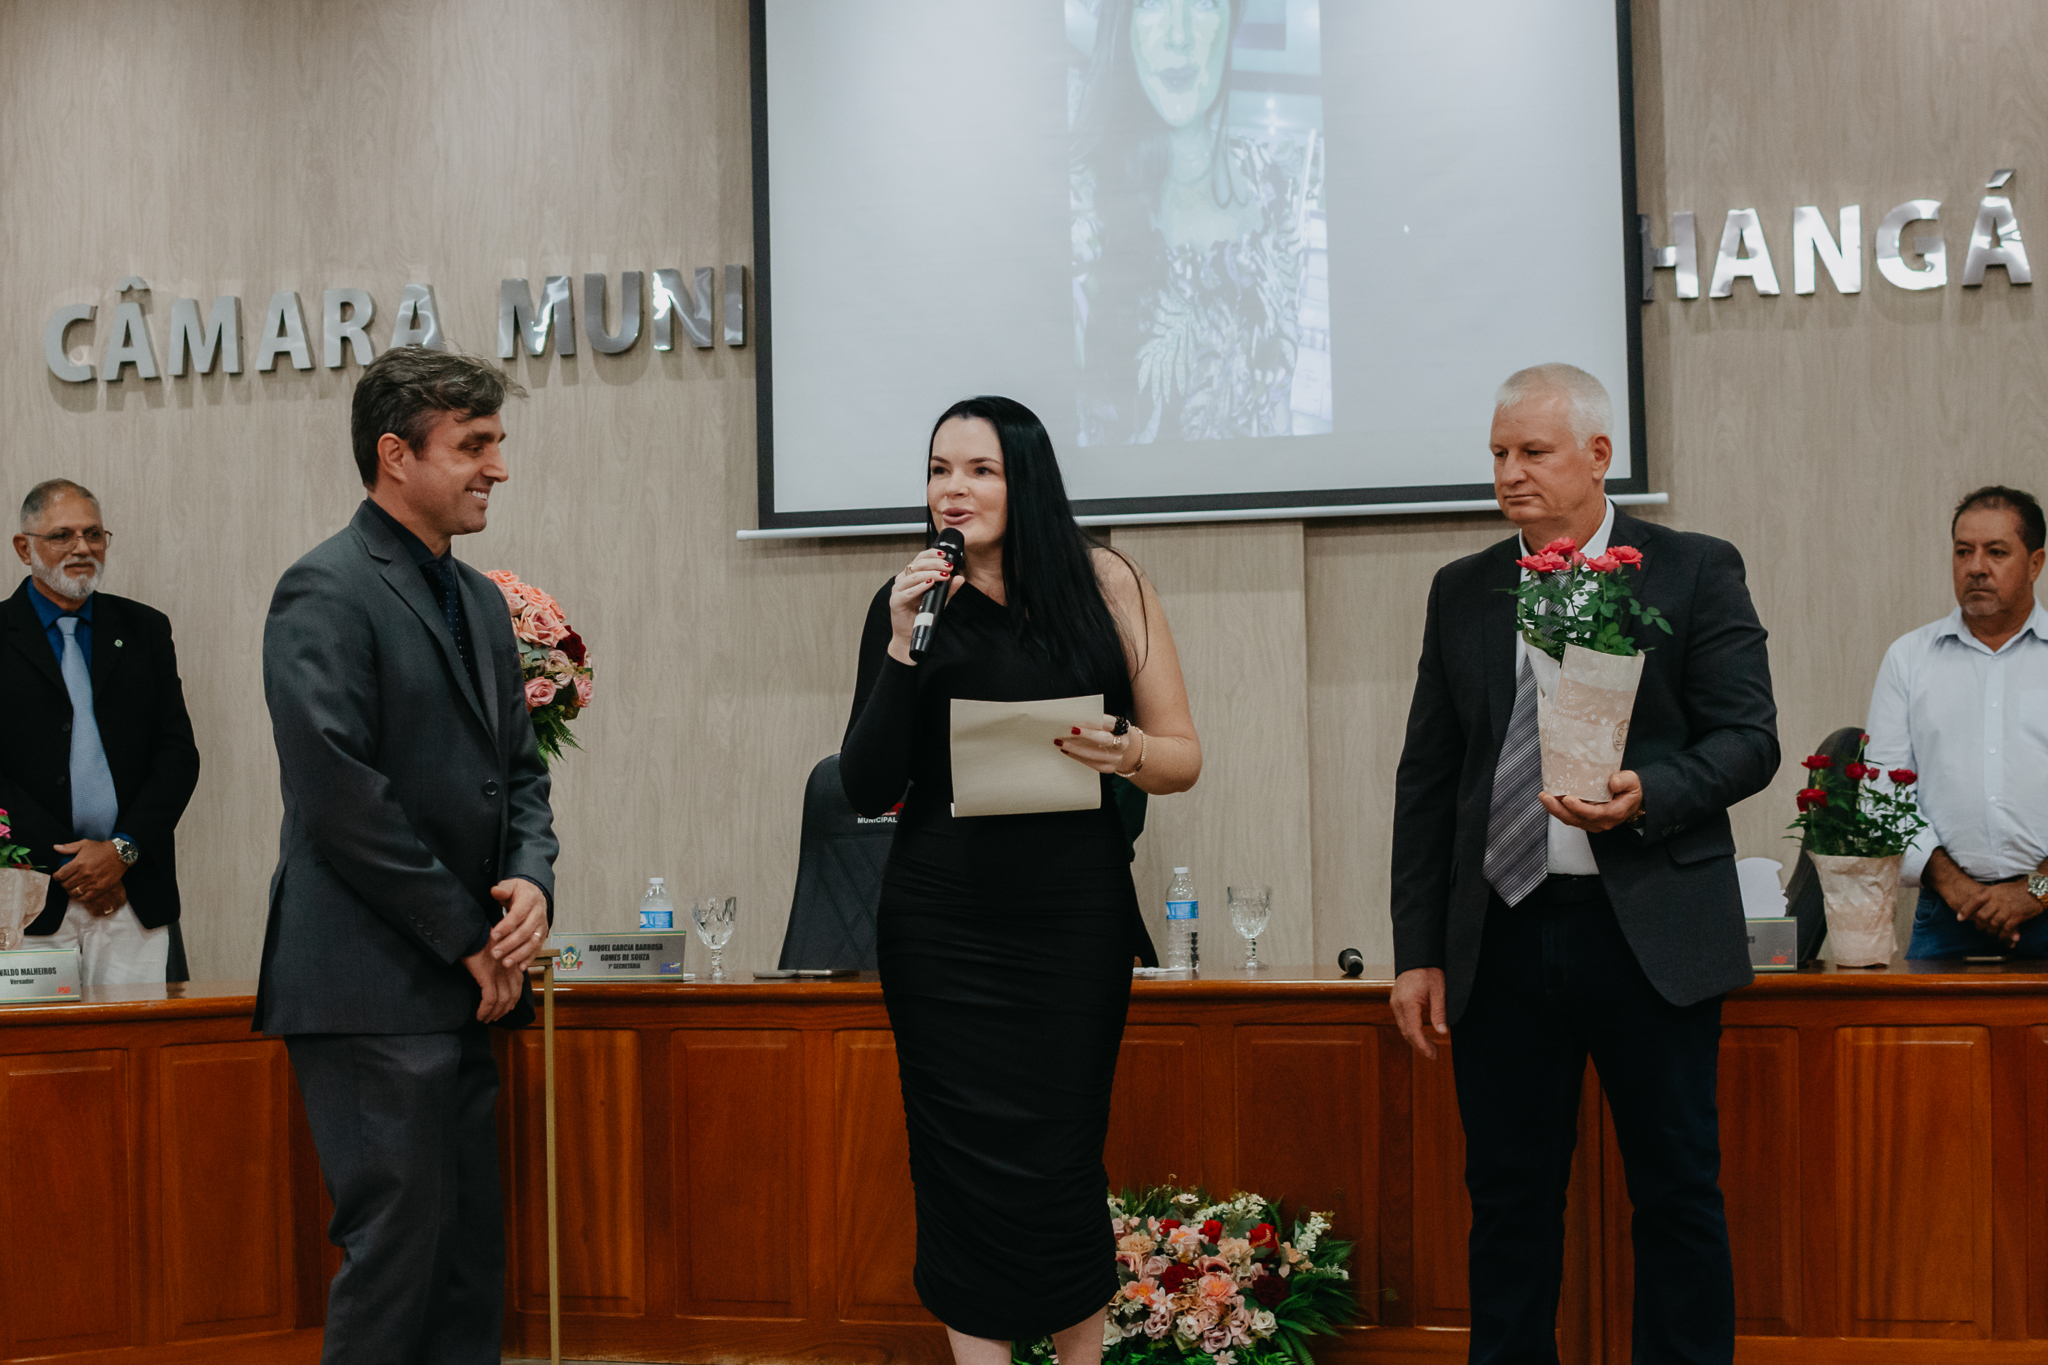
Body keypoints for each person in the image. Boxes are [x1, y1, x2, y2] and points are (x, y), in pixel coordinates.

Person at [1388, 364, 1777, 1365]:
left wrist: (1651, 791)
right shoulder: (1462, 588)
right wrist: (1417, 950)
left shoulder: (1692, 569)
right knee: (1507, 1202)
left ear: (1599, 456)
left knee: (1676, 1192)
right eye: (1497, 454)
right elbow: (1429, 779)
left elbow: (1748, 739)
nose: (1508, 473)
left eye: (1532, 452)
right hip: (1503, 932)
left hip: (1649, 932)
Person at [839, 395, 1201, 1364]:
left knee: (1061, 1157)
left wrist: (1124, 751)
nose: (952, 491)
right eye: (938, 470)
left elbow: (1182, 755)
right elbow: (866, 785)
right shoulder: (910, 601)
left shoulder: (1107, 583)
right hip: (942, 926)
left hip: (1071, 919)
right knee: (956, 1165)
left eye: (979, 470)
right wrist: (899, 642)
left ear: (1025, 480)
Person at [256, 347, 558, 1365]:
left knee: (468, 1259)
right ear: (396, 455)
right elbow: (341, 797)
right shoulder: (324, 589)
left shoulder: (477, 599)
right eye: (473, 446)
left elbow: (518, 773)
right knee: (396, 1256)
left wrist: (530, 880)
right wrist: (467, 934)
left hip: (466, 987)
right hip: (369, 984)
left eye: (496, 443)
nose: (497, 467)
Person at [1070, 0, 1328, 444]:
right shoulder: (1080, 204)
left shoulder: (1269, 181)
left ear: (1232, 19)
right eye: (1152, 2)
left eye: (1204, 2)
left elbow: (1276, 400)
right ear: (1124, 22)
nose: (1179, 34)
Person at [3, 478, 199, 983]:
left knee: (139, 1034)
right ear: (24, 548)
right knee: (39, 1038)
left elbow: (177, 755)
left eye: (94, 534)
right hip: (27, 901)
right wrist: (77, 870)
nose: (82, 548)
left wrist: (120, 853)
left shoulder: (145, 629)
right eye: (62, 535)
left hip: (133, 894)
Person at [1866, 485, 2048, 957]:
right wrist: (1957, 888)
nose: (1976, 567)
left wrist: (2036, 890)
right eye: (1963, 551)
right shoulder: (1910, 658)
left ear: (2036, 563)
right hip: (1946, 912)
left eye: (1997, 552)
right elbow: (1882, 794)